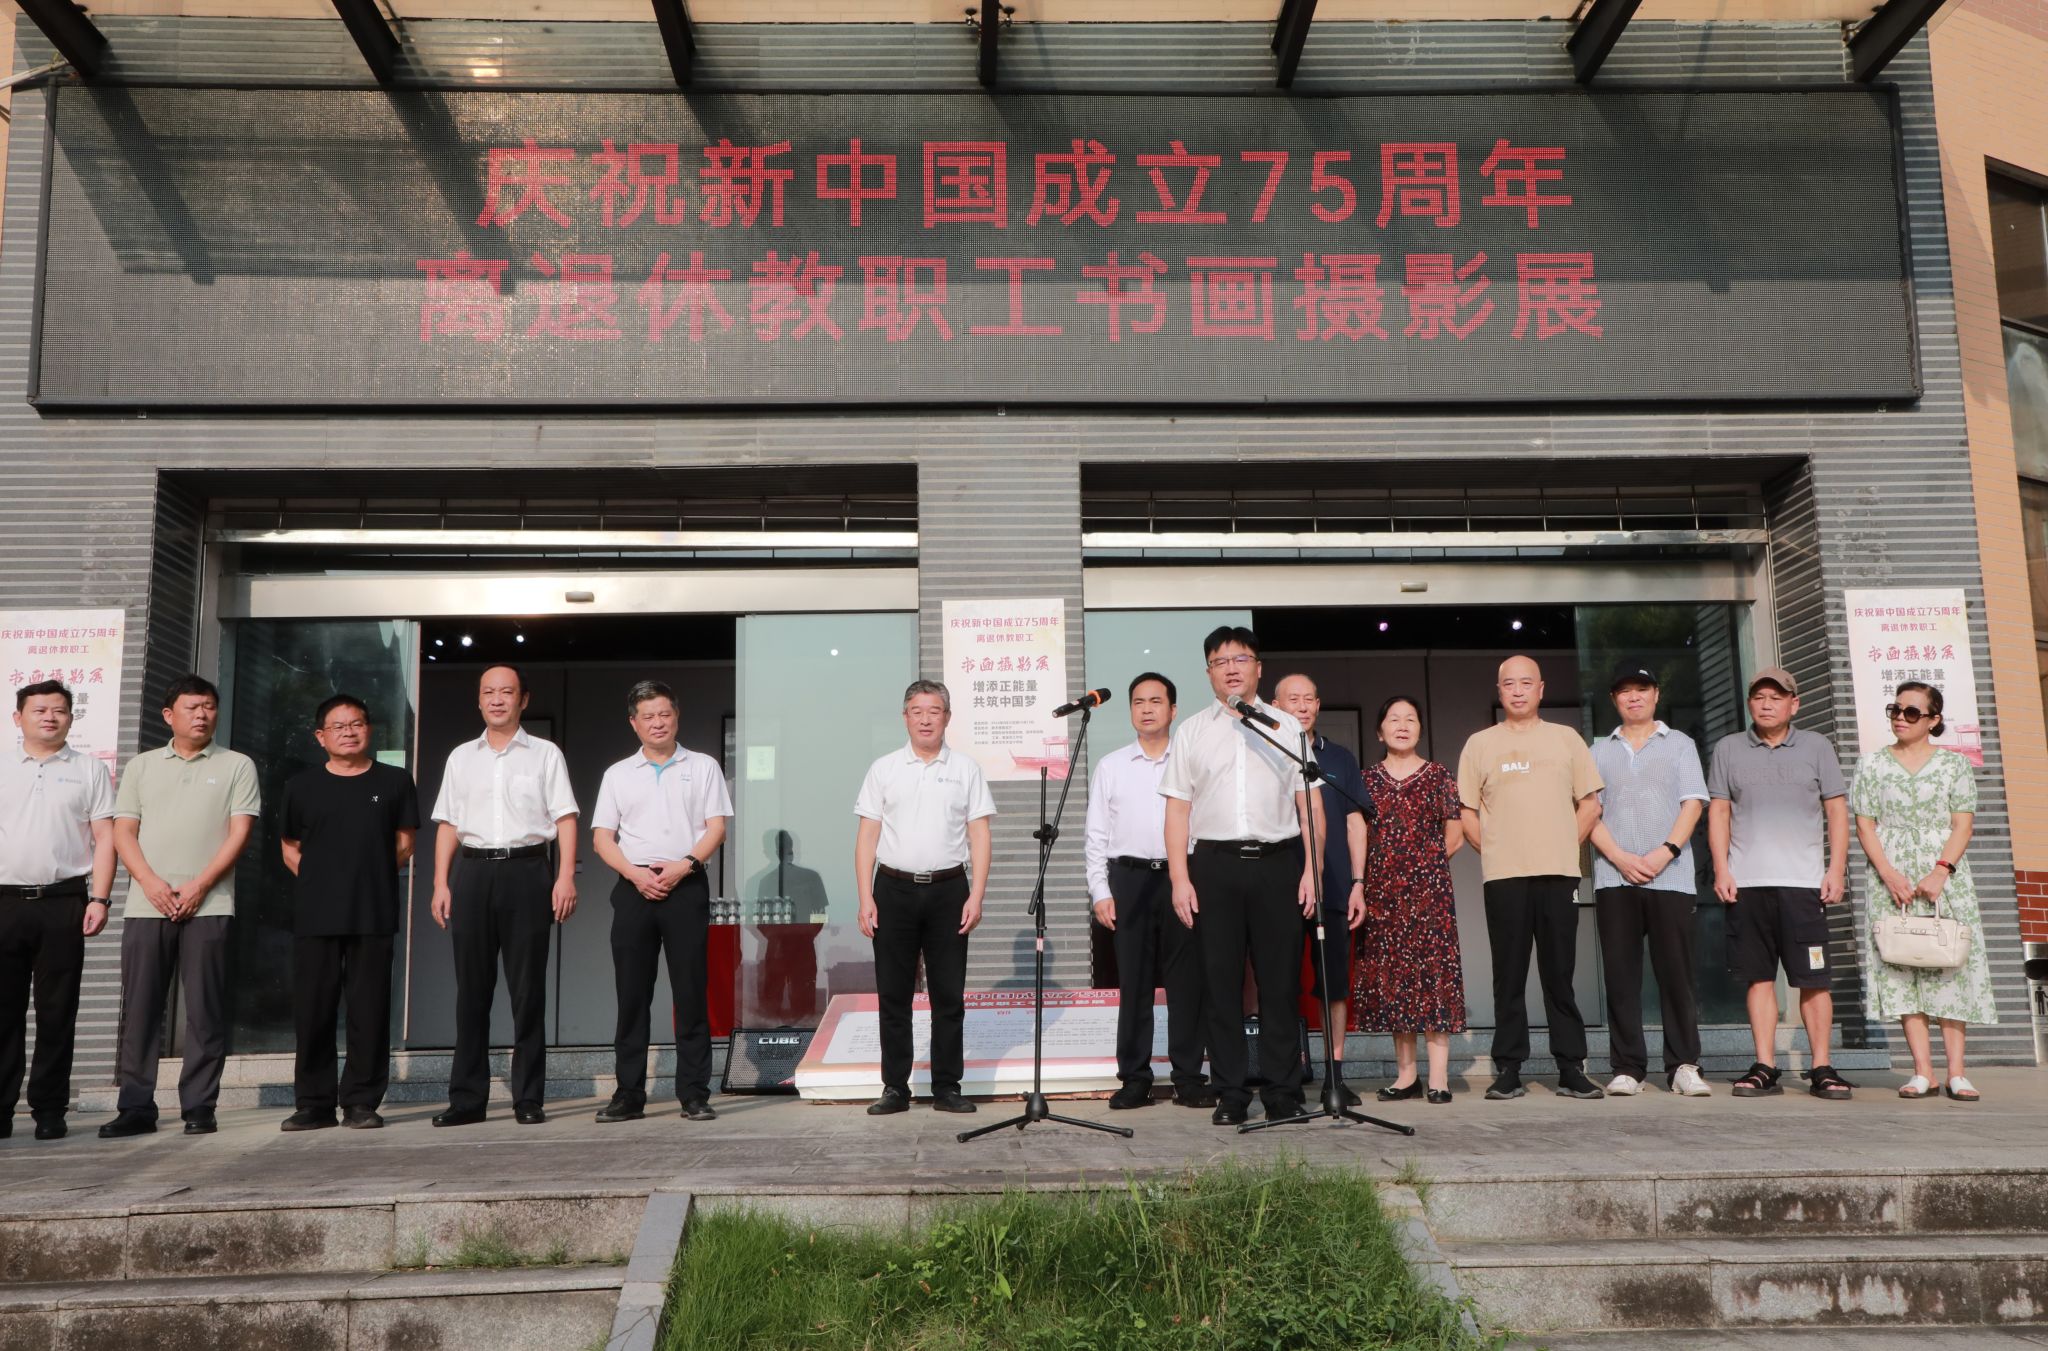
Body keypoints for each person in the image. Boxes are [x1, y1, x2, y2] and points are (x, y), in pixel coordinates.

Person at [1161, 626, 1321, 1127]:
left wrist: (1313, 870)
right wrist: (1180, 879)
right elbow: (1177, 811)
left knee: (1280, 983)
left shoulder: (1286, 727)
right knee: (1220, 984)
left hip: (1279, 863)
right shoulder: (1192, 731)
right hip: (1215, 866)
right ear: (1209, 671)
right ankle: (1230, 1092)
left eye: (1241, 659)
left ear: (1258, 667)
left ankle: (1282, 1092)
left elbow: (1309, 805)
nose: (1231, 668)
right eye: (1220, 661)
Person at [100, 675, 261, 1139]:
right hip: (146, 904)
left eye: (209, 706)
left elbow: (239, 832)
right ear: (169, 715)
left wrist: (200, 885)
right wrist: (150, 883)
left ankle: (199, 1105)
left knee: (205, 1010)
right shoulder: (142, 766)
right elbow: (123, 832)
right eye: (192, 707)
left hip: (210, 903)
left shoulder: (237, 765)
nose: (202, 715)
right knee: (141, 1009)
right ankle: (136, 1106)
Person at [428, 664, 578, 1128]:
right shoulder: (461, 757)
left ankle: (528, 1097)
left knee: (527, 991)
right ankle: (467, 1099)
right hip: (472, 873)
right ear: (478, 700)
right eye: (489, 692)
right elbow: (448, 823)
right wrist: (440, 882)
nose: (497, 699)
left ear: (523, 699)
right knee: (471, 992)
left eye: (506, 692)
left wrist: (565, 877)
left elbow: (566, 818)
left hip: (528, 872)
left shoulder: (545, 754)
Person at [1457, 655, 1605, 1102]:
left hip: (1559, 874)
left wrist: (1561, 845)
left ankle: (1571, 1068)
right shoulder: (1480, 744)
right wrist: (1495, 849)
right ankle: (1508, 1069)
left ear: (1541, 689)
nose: (1518, 690)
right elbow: (1467, 812)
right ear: (1499, 691)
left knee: (1560, 974)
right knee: (1509, 975)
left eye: (1526, 683)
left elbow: (1591, 804)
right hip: (1504, 876)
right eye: (1509, 684)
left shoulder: (1566, 739)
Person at [589, 680, 733, 1124]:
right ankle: (629, 1094)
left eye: (664, 714)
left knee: (690, 992)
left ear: (677, 717)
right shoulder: (617, 774)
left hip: (685, 886)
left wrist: (684, 865)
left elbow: (716, 828)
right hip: (633, 887)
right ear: (634, 723)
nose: (657, 723)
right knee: (632, 995)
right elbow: (602, 838)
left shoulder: (703, 766)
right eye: (648, 716)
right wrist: (634, 874)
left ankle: (694, 1094)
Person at [1708, 665, 1852, 1101]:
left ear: (1794, 704)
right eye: (1759, 697)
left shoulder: (1816, 746)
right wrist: (1721, 869)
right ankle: (1765, 1066)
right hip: (1747, 883)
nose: (1766, 704)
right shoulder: (1729, 748)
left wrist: (1836, 869)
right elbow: (1719, 812)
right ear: (1749, 703)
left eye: (1776, 697)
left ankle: (1821, 1066)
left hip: (1804, 884)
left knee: (1814, 979)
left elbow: (1837, 811)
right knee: (1758, 978)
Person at [276, 694, 418, 1132]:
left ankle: (361, 1101)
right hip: (316, 914)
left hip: (372, 910)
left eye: (356, 724)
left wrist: (366, 877)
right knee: (313, 1009)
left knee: (368, 1009)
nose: (349, 732)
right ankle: (313, 1103)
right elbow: (289, 849)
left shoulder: (395, 781)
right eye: (338, 727)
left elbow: (404, 844)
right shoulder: (301, 786)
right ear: (321, 737)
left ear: (369, 730)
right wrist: (324, 883)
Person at [854, 679, 994, 1116]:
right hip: (892, 890)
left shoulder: (966, 769)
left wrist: (977, 894)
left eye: (934, 711)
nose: (926, 719)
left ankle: (947, 1086)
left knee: (948, 995)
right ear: (905, 717)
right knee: (893, 995)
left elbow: (980, 835)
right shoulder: (884, 769)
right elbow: (867, 837)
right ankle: (895, 1087)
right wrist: (865, 897)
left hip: (949, 890)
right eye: (917, 711)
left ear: (947, 717)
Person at [1850, 682, 1994, 1102]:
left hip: (1943, 876)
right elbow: (1865, 825)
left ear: (1933, 720)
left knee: (1950, 963)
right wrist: (1888, 874)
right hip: (1890, 877)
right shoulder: (1872, 764)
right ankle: (1922, 1072)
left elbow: (1962, 825)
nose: (1900, 717)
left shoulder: (1954, 765)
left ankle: (1957, 1073)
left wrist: (1941, 871)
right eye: (1895, 709)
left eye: (1912, 712)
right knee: (1903, 964)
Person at [1083, 672, 1212, 1110]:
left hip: (1182, 878)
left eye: (1156, 701)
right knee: (1133, 983)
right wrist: (1100, 891)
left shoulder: (1190, 763)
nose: (1147, 709)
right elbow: (1096, 836)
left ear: (1173, 710)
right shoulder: (1112, 766)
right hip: (1130, 880)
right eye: (1138, 702)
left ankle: (1189, 1077)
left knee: (1186, 983)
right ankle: (1135, 1078)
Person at [1587, 662, 1713, 1099]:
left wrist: (1665, 851)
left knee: (1676, 976)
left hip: (1671, 877)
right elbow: (1588, 811)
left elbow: (1693, 803)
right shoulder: (1597, 750)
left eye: (1642, 689)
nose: (1634, 697)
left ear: (1656, 694)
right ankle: (1627, 1068)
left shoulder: (1679, 744)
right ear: (1614, 699)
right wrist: (1620, 857)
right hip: (1614, 877)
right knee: (1621, 978)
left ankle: (1683, 1065)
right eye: (1625, 690)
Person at [0, 680, 115, 1141]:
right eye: (39, 709)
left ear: (71, 717)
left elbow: (105, 837)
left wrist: (100, 899)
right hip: (4, 902)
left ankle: (49, 1109)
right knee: (3, 1012)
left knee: (57, 1011)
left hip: (64, 901)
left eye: (59, 710)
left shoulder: (89, 769)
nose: (50, 717)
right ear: (18, 718)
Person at [1351, 695, 1466, 1105]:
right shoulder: (1365, 780)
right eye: (1394, 719)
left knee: (1434, 978)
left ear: (1420, 728)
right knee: (1395, 980)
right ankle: (1406, 1077)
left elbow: (1455, 835)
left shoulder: (1438, 775)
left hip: (1430, 894)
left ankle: (1439, 1078)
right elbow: (1358, 834)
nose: (1402, 725)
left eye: (1411, 719)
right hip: (1382, 894)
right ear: (1379, 731)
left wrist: (1421, 867)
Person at [1271, 672, 1369, 1105]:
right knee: (1280, 983)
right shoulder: (1266, 753)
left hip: (1333, 886)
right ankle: (1285, 1077)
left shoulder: (1340, 758)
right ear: (1276, 705)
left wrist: (1358, 883)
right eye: (1293, 699)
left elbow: (1354, 823)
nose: (1303, 706)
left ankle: (1335, 1076)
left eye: (1309, 699)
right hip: (1280, 887)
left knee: (1333, 986)